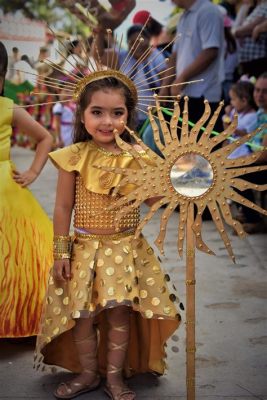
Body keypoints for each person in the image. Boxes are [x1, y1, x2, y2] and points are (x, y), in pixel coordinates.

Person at [34, 64, 181, 399]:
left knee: (119, 317)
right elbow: (62, 208)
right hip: (84, 248)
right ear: (82, 115)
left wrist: (182, 185)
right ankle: (88, 374)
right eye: (97, 112)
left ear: (129, 116)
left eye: (117, 113)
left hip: (125, 251)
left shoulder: (139, 157)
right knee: (83, 318)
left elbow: (158, 197)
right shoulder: (74, 156)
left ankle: (114, 378)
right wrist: (61, 251)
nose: (107, 121)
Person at [0, 41, 54, 338]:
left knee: (14, 258)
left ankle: (16, 316)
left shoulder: (9, 108)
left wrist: (33, 171)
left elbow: (44, 137)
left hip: (6, 192)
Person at [160, 0, 225, 129]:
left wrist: (181, 79)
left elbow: (211, 51)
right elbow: (175, 55)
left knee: (200, 147)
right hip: (185, 95)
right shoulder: (184, 16)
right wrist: (164, 87)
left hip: (204, 96)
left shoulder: (208, 11)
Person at [222, 80, 258, 158]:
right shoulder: (234, 112)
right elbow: (227, 132)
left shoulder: (252, 116)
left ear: (244, 101)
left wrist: (232, 128)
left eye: (233, 99)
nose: (231, 102)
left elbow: (249, 136)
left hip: (243, 152)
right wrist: (227, 115)